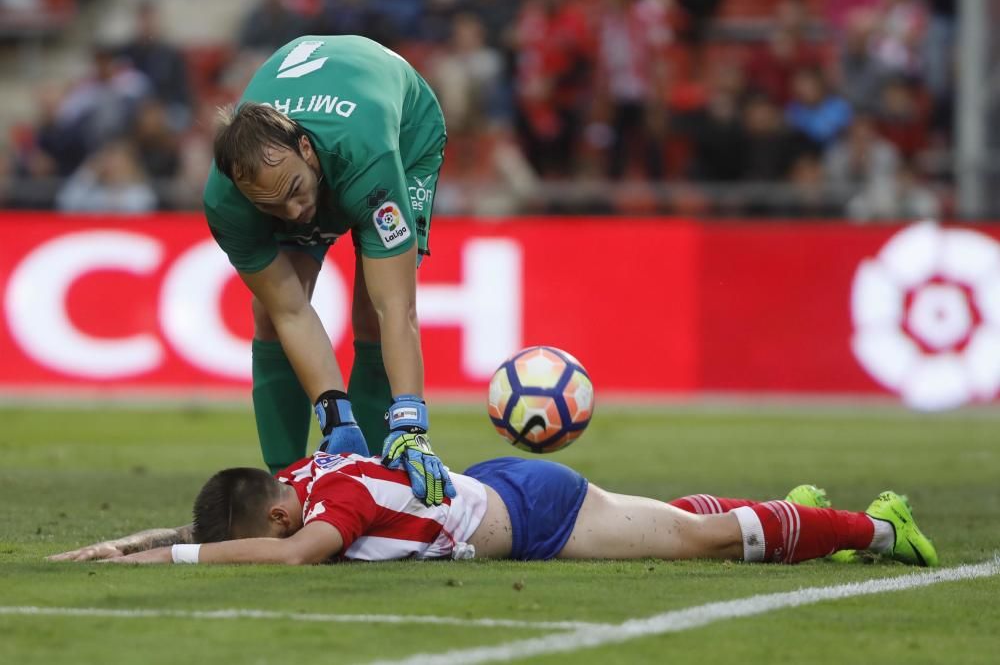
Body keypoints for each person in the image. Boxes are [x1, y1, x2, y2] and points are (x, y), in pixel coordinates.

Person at [202, 35, 453, 505]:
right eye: (273, 205)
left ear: (305, 147)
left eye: (296, 190)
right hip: (333, 142)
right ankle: (286, 482)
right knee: (268, 314)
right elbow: (290, 312)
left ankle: (383, 477)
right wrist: (335, 414)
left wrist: (411, 422)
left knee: (371, 314)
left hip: (403, 135)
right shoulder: (226, 203)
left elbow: (397, 307)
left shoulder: (368, 158)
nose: (296, 213)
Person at [51, 437, 939, 568]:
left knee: (697, 540)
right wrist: (137, 536)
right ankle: (797, 505)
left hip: (537, 518)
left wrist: (173, 556)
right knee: (665, 515)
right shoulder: (305, 469)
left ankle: (878, 527)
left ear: (282, 510)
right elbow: (248, 527)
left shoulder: (336, 505)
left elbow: (289, 555)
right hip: (497, 486)